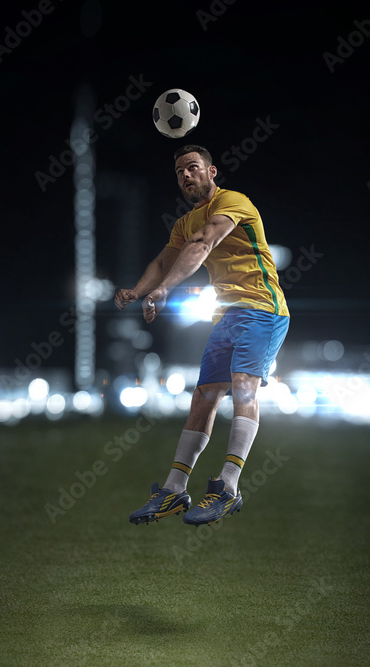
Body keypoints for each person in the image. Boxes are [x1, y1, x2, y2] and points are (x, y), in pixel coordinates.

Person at [115, 144, 289, 526]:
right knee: (204, 397)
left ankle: (228, 487)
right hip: (225, 315)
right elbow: (164, 260)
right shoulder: (184, 222)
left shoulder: (234, 202)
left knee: (243, 386)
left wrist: (165, 291)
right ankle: (175, 490)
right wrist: (140, 289)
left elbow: (204, 243)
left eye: (193, 168)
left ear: (212, 172)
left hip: (262, 308)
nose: (186, 175)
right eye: (179, 172)